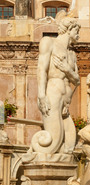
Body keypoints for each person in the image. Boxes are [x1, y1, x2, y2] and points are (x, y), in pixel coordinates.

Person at [29, 12, 81, 156]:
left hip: (66, 100)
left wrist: (67, 69)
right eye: (77, 31)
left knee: (69, 144)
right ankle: (39, 164)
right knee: (53, 140)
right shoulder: (48, 42)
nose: (78, 35)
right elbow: (41, 69)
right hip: (53, 92)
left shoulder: (72, 54)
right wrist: (41, 95)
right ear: (69, 29)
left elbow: (76, 80)